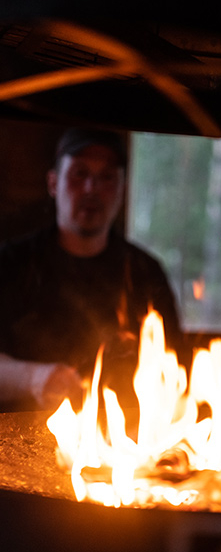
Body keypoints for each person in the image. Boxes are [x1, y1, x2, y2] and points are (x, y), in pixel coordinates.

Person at [0, 127, 184, 412]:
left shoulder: (145, 273)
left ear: (122, 189)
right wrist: (33, 378)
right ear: (53, 183)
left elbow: (175, 369)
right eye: (80, 173)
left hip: (125, 447)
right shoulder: (10, 263)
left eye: (106, 178)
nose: (91, 189)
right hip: (20, 442)